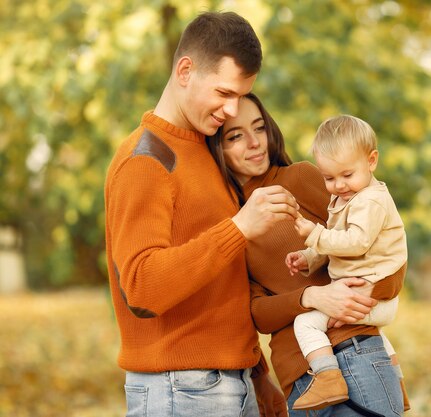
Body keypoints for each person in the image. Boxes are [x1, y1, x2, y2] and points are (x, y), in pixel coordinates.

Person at [104, 12, 294, 417]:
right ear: (185, 70)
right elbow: (141, 286)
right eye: (223, 92)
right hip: (181, 389)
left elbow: (224, 286)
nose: (231, 109)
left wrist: (258, 376)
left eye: (240, 96)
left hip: (231, 381)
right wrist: (238, 228)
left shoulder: (206, 150)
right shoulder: (146, 160)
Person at [207, 93, 410, 416]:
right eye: (235, 136)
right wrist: (310, 296)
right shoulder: (227, 224)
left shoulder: (301, 178)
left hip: (351, 350)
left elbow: (380, 241)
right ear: (216, 147)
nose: (254, 142)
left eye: (259, 129)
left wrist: (375, 292)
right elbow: (256, 314)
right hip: (297, 380)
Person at [284, 114, 408, 410]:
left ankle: (328, 379)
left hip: (373, 292)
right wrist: (309, 258)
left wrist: (314, 233)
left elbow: (355, 242)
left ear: (372, 161)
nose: (339, 185)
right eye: (329, 178)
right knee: (378, 335)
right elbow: (337, 242)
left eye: (347, 175)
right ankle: (397, 383)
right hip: (369, 292)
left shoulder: (370, 201)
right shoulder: (349, 198)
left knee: (306, 323)